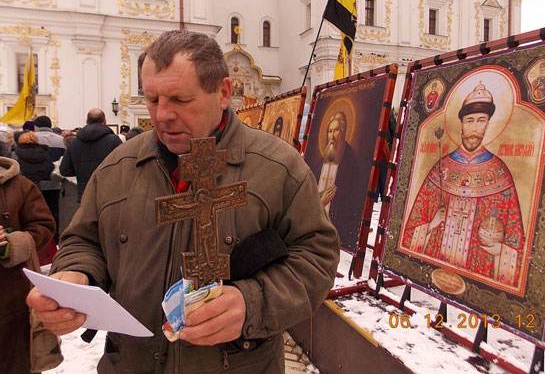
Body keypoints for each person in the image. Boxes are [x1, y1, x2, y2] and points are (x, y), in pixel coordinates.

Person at [28, 30, 339, 373]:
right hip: (131, 363)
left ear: (223, 92)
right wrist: (76, 275)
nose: (161, 116)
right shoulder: (119, 166)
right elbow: (84, 240)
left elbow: (316, 256)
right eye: (152, 99)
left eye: (179, 99)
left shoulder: (278, 167)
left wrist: (252, 303)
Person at [401, 82, 525, 287]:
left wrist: (502, 251)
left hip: (478, 268)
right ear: (461, 124)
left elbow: (515, 237)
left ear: (488, 124)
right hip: (435, 263)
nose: (475, 128)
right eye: (469, 121)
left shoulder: (499, 172)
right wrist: (431, 225)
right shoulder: (441, 168)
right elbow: (412, 224)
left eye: (481, 121)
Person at [0, 156, 56, 374]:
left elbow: (43, 225)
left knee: (15, 361)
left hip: (11, 299)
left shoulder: (20, 186)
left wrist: (11, 244)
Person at [317, 111, 363, 249]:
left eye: (336, 130)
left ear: (343, 134)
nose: (332, 136)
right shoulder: (319, 163)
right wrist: (320, 203)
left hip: (336, 229)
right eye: (330, 131)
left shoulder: (351, 165)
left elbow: (351, 202)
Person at [59, 108, 122, 203]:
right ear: (104, 121)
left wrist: (80, 170)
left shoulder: (74, 143)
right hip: (109, 194)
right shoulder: (114, 140)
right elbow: (123, 165)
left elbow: (64, 170)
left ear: (87, 121)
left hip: (85, 193)